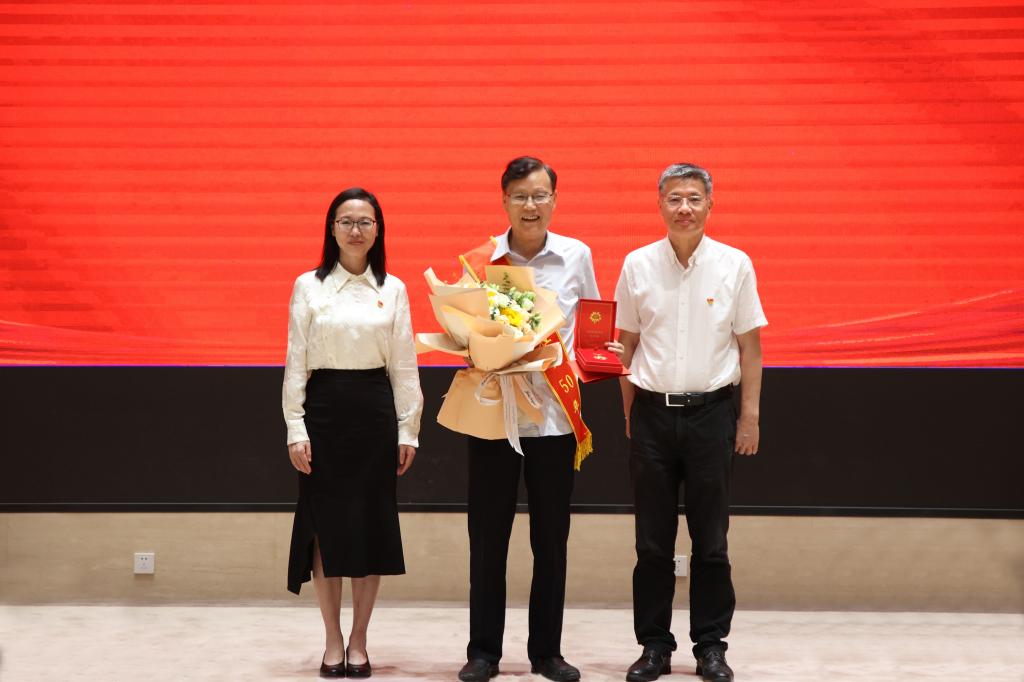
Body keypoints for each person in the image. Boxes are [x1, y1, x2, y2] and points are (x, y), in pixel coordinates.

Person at [606, 163, 766, 682]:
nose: (684, 208)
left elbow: (750, 349)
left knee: (711, 540)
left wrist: (748, 417)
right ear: (660, 205)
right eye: (675, 199)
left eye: (694, 199)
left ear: (710, 205)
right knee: (652, 541)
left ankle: (711, 647)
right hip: (652, 416)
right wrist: (630, 413)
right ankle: (654, 646)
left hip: (712, 415)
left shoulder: (734, 264)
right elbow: (625, 346)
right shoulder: (637, 265)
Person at [458, 156, 600, 682]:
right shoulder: (483, 261)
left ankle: (547, 652)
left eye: (540, 195)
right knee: (487, 538)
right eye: (520, 196)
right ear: (504, 201)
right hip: (495, 416)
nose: (530, 205)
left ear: (554, 200)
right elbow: (466, 331)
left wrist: (597, 357)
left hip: (555, 420)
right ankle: (483, 653)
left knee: (551, 539)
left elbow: (591, 326)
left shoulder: (576, 255)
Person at [282, 187, 423, 679]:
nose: (356, 230)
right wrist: (295, 427)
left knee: (370, 527)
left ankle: (359, 640)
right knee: (326, 530)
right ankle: (331, 639)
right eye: (346, 221)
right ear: (332, 229)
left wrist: (409, 430)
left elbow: (404, 365)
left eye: (365, 222)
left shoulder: (394, 288)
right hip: (323, 414)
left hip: (374, 416)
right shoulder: (309, 286)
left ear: (378, 230)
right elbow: (295, 361)